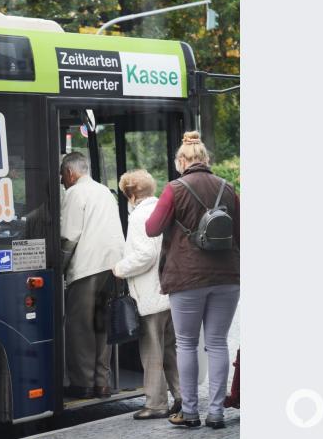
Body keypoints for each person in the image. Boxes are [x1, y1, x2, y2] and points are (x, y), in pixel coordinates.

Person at [145, 131, 240, 430]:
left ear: (184, 160)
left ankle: (189, 412)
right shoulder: (228, 187)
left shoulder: (175, 188)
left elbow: (152, 228)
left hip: (187, 276)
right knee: (217, 343)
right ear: (207, 160)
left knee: (186, 344)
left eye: (177, 161)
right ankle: (216, 413)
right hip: (227, 276)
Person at [113, 169, 182, 419]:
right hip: (170, 291)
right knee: (171, 350)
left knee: (151, 352)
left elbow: (145, 255)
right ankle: (182, 395)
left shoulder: (138, 216)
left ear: (131, 195)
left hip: (151, 295)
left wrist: (120, 268)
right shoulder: (162, 210)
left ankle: (156, 404)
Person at [60, 151, 125, 399]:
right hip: (112, 266)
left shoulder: (75, 192)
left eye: (62, 176)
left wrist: (59, 266)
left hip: (88, 266)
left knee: (80, 326)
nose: (63, 182)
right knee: (101, 324)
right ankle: (102, 382)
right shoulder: (103, 191)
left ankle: (84, 382)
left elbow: (69, 236)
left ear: (70, 172)